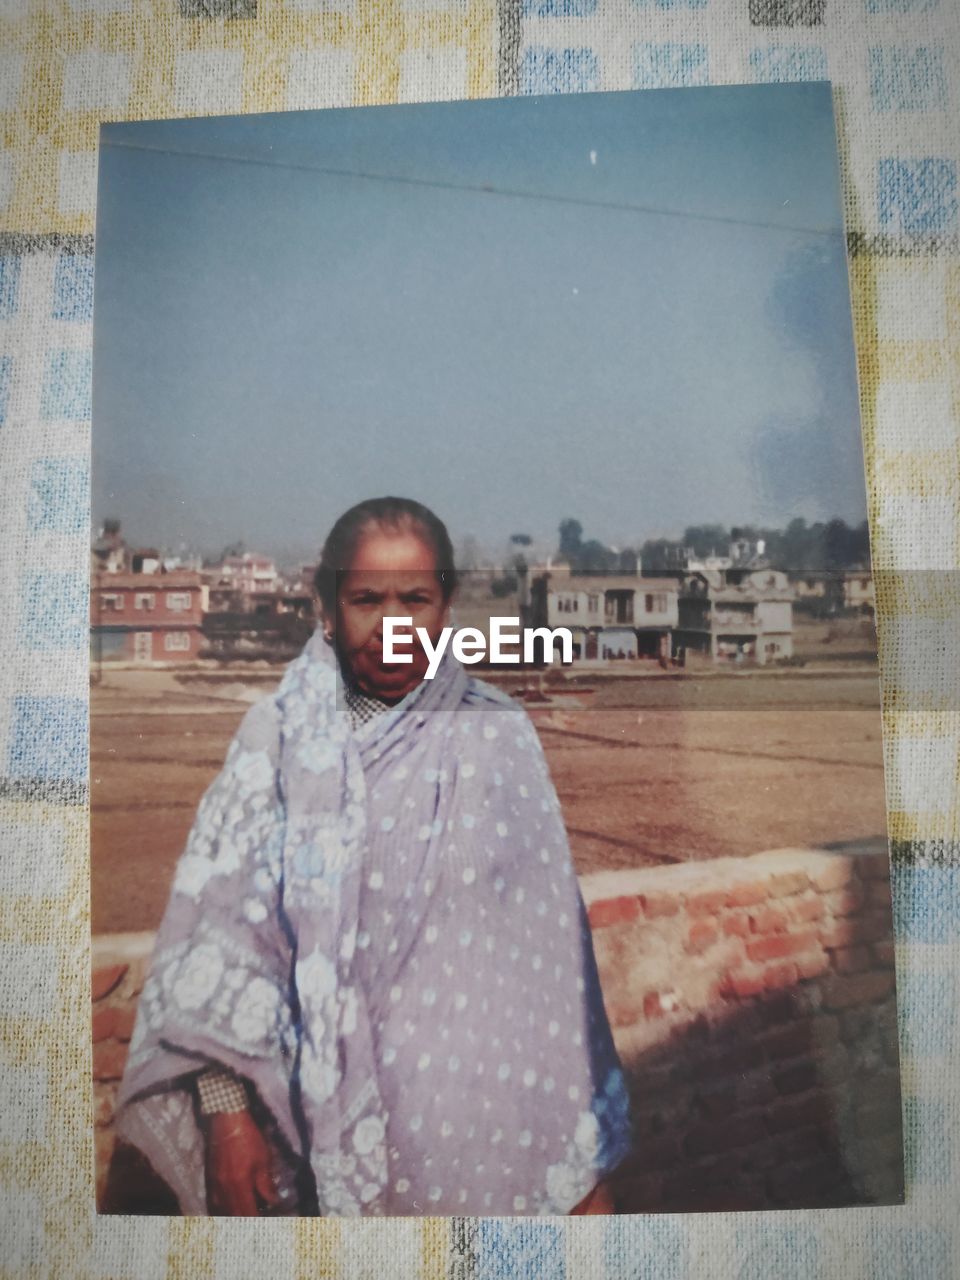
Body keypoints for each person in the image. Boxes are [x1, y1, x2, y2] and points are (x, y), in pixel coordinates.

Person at [115, 497, 631, 1217]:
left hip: (493, 1128)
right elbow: (218, 945)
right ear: (327, 608)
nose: (392, 625)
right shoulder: (276, 743)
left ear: (445, 604)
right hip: (306, 1136)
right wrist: (228, 1117)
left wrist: (577, 1159)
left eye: (414, 599)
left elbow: (550, 973)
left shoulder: (498, 735)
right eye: (366, 600)